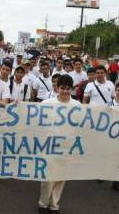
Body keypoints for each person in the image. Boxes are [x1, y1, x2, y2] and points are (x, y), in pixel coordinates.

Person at [38, 74, 81, 214]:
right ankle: (43, 203)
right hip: (49, 146)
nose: (65, 91)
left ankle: (54, 205)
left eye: (68, 89)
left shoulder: (77, 105)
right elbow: (34, 119)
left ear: (71, 89)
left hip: (67, 146)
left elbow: (82, 124)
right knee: (47, 178)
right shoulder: (46, 103)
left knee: (61, 177)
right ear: (57, 87)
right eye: (62, 88)